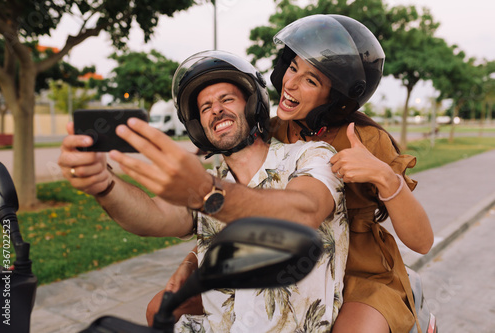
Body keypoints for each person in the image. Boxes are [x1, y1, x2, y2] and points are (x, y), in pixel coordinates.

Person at [58, 50, 349, 332]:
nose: (216, 110)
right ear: (198, 127)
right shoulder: (206, 179)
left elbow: (304, 210)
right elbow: (152, 215)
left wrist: (205, 192)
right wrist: (104, 184)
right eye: (205, 108)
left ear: (253, 105)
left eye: (226, 99)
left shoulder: (310, 156)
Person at [268, 14, 434, 333]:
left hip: (358, 273)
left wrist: (384, 177)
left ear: (337, 98)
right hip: (286, 265)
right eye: (293, 68)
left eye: (311, 80)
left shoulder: (366, 140)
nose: (290, 84)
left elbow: (423, 242)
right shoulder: (270, 133)